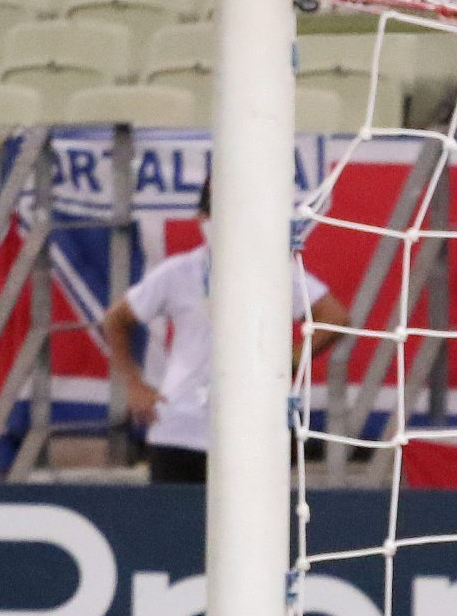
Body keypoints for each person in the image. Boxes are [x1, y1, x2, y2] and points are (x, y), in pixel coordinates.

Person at [100, 176, 348, 485]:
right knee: (176, 528)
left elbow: (334, 317)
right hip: (180, 427)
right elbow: (115, 320)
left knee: (254, 530)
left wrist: (294, 359)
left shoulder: (273, 271)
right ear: (201, 218)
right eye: (215, 214)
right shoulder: (179, 273)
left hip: (253, 429)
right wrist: (134, 386)